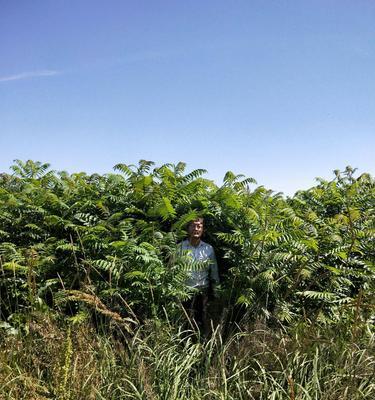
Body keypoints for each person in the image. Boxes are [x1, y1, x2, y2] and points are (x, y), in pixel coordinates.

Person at [179, 217, 219, 333]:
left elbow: (214, 272)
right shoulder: (179, 248)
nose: (196, 229)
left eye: (199, 226)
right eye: (193, 226)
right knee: (184, 323)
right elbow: (172, 270)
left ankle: (200, 346)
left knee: (201, 321)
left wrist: (216, 292)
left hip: (202, 292)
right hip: (184, 292)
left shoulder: (208, 249)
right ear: (187, 229)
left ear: (202, 229)